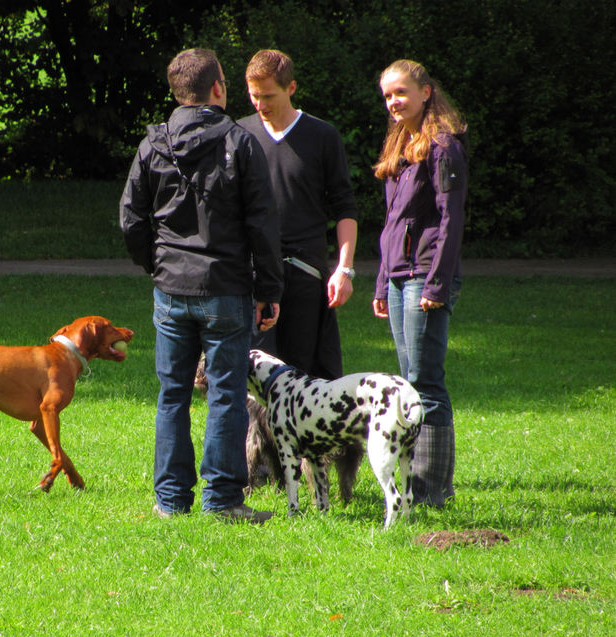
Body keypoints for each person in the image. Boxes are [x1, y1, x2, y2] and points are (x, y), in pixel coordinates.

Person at [119, 48, 284, 522]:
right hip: (226, 287)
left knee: (173, 393)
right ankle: (224, 501)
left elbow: (131, 219)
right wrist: (269, 290)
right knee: (226, 394)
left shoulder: (153, 144)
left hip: (172, 287)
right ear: (217, 88)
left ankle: (171, 502)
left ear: (177, 92)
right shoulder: (239, 141)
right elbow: (262, 224)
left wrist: (156, 264)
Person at [372, 59, 468, 506]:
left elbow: (450, 220)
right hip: (397, 277)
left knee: (425, 382)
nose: (393, 101)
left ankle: (433, 493)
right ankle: (415, 486)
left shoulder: (443, 146)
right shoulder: (401, 144)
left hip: (424, 276)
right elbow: (392, 221)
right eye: (388, 95)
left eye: (401, 93)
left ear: (425, 92)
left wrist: (436, 285)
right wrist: (379, 283)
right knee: (409, 385)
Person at [239, 49, 359, 380]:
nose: (260, 105)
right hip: (254, 276)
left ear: (291, 88)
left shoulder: (322, 136)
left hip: (307, 275)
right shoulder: (238, 135)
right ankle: (255, 436)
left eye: (268, 96)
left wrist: (344, 270)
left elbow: (344, 206)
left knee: (309, 380)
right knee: (255, 382)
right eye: (253, 96)